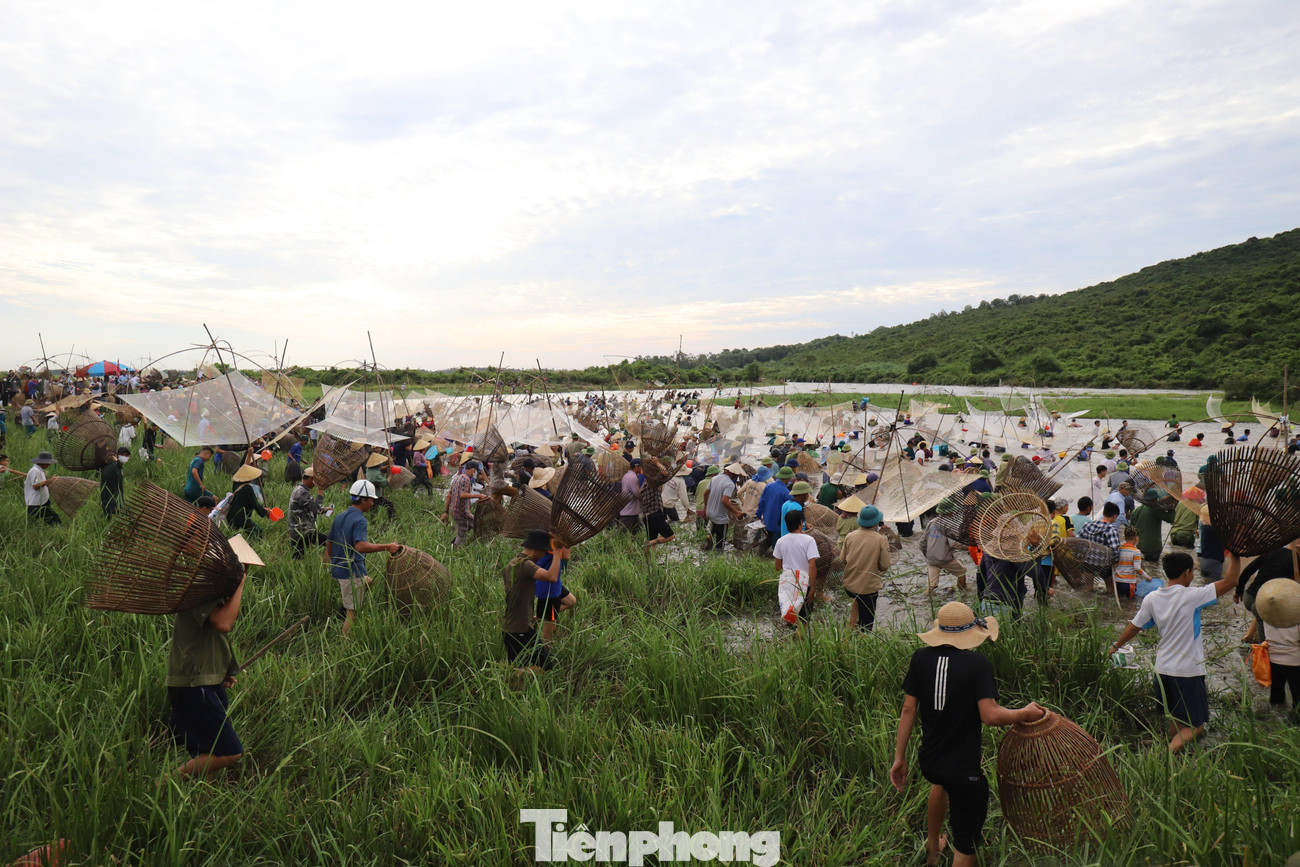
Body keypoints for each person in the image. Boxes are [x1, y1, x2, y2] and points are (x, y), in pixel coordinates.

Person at [891, 602, 1045, 866]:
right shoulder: (977, 664)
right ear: (970, 635)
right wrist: (1023, 713)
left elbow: (908, 709)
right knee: (966, 843)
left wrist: (899, 758)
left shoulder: (920, 658)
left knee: (941, 783)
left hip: (931, 762)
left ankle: (932, 851)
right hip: (964, 772)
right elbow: (990, 715)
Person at [1109, 551, 1242, 752]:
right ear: (1186, 572)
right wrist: (1236, 556)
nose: (1193, 576)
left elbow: (1134, 627)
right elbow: (1231, 581)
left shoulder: (1152, 598)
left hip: (1162, 670)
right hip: (1187, 672)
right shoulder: (1193, 596)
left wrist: (1116, 646)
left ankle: (1173, 754)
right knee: (1196, 726)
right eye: (1192, 572)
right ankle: (1166, 755)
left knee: (1177, 719)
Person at [167, 564, 246, 778]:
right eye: (243, 568)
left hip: (205, 681)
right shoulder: (200, 586)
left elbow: (213, 638)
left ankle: (198, 796)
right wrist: (240, 585)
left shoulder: (213, 589)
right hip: (194, 684)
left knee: (209, 751)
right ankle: (163, 785)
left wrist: (223, 670)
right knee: (228, 751)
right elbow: (223, 623)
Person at [326, 479, 401, 636]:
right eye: (371, 500)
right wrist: (387, 546)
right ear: (363, 500)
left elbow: (329, 542)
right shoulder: (360, 520)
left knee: (367, 581)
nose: (373, 504)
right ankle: (344, 642)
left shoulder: (340, 516)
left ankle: (346, 604)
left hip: (339, 568)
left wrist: (332, 561)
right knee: (352, 614)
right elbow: (360, 546)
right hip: (350, 571)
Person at [503, 530, 569, 670]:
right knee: (546, 667)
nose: (544, 555)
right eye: (544, 551)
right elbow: (551, 577)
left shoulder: (512, 564)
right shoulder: (525, 565)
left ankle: (514, 681)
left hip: (511, 627)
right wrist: (557, 550)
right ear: (536, 549)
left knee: (519, 667)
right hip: (521, 629)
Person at [842, 505, 891, 630]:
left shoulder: (849, 536)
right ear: (876, 523)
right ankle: (863, 637)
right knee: (867, 622)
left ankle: (850, 631)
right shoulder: (881, 539)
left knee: (855, 609)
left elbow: (842, 559)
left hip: (850, 584)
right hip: (868, 588)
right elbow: (884, 565)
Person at [773, 509, 820, 628]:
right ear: (801, 523)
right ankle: (801, 637)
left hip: (788, 583)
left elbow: (777, 567)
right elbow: (812, 565)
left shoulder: (780, 541)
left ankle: (791, 635)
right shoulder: (809, 540)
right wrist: (812, 588)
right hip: (804, 584)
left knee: (790, 614)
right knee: (804, 618)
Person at [534, 537, 577, 641]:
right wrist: (568, 541)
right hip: (549, 586)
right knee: (550, 627)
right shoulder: (555, 538)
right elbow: (566, 556)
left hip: (551, 582)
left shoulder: (544, 535)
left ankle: (537, 618)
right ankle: (547, 648)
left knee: (571, 601)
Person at [288, 467, 328, 559]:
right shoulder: (302, 492)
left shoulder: (300, 489)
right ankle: (327, 563)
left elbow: (310, 506)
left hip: (298, 530)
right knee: (330, 542)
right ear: (311, 479)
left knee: (298, 557)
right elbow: (315, 509)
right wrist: (320, 492)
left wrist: (325, 509)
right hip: (303, 530)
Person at [445, 459, 487, 546]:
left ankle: (457, 540)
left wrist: (446, 511)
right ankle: (456, 547)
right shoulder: (466, 480)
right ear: (473, 470)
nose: (476, 474)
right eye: (476, 472)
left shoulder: (457, 478)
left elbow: (449, 495)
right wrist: (479, 496)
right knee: (463, 531)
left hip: (455, 510)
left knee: (474, 523)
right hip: (461, 512)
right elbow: (463, 495)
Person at [922, 515, 966, 595]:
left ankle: (925, 598)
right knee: (962, 572)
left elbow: (922, 542)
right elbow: (954, 543)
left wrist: (927, 555)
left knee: (931, 584)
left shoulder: (932, 522)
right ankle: (962, 592)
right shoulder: (950, 524)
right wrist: (969, 547)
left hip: (931, 558)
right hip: (944, 558)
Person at [704, 463, 744, 552]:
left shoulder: (715, 478)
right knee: (720, 543)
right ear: (734, 474)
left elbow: (705, 493)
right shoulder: (730, 484)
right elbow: (724, 500)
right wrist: (736, 512)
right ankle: (718, 553)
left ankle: (710, 536)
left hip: (710, 512)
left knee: (715, 525)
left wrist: (706, 506)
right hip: (720, 516)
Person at [1129, 488, 1174, 564]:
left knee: (1141, 566)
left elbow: (1130, 529)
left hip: (1138, 546)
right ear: (1155, 499)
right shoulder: (1154, 509)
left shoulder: (1136, 511)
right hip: (1153, 548)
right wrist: (1171, 508)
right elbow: (1171, 519)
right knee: (1153, 565)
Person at [757, 466, 795, 553]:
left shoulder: (769, 486)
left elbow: (761, 502)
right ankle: (775, 558)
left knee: (769, 537)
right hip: (778, 523)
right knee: (776, 543)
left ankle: (761, 554)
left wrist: (758, 515)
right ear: (788, 478)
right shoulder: (786, 493)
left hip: (767, 519)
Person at [226, 464, 270, 538]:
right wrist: (265, 512)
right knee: (257, 532)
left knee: (232, 535)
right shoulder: (247, 488)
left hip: (231, 514)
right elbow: (254, 504)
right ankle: (254, 544)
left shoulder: (236, 484)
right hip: (241, 516)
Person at [1113, 526, 1150, 600]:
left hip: (1117, 581)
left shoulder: (1119, 549)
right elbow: (1137, 568)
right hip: (1129, 583)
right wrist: (1147, 577)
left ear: (1124, 537)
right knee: (1131, 602)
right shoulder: (1136, 552)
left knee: (1120, 600)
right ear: (1137, 538)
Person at [24, 451, 60, 524]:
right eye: (47, 463)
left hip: (41, 500)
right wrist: (49, 480)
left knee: (52, 518)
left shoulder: (40, 470)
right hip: (35, 502)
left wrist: (49, 481)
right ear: (42, 462)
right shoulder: (35, 471)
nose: (49, 465)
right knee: (33, 521)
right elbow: (36, 486)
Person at [100, 446, 130, 518]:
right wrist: (115, 462)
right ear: (117, 455)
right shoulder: (113, 466)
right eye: (122, 454)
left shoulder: (117, 466)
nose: (124, 457)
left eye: (126, 455)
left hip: (115, 496)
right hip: (110, 498)